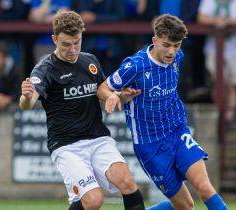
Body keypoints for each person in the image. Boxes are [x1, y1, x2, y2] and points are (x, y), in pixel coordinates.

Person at [97, 14, 228, 210]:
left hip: (177, 132)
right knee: (186, 206)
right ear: (155, 40)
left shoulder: (177, 58)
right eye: (166, 45)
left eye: (176, 45)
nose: (172, 51)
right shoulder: (135, 66)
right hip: (150, 146)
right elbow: (102, 88)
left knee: (205, 188)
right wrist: (114, 96)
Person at [19, 10, 146, 210]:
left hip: (97, 138)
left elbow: (101, 90)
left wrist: (116, 95)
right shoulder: (45, 69)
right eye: (66, 44)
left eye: (76, 42)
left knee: (128, 183)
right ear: (54, 39)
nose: (72, 49)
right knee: (94, 200)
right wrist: (26, 96)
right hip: (67, 146)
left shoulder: (90, 61)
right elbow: (28, 103)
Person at [197, 0, 236, 125]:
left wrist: (227, 22)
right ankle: (218, 114)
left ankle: (228, 117)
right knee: (219, 83)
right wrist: (216, 21)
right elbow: (201, 17)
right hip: (213, 49)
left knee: (232, 86)